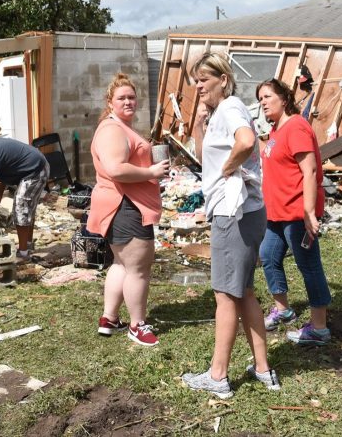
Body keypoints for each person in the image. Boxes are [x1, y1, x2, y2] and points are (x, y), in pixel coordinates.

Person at [181, 52, 280, 398]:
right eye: (196, 81)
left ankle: (218, 376)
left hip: (233, 213)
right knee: (244, 291)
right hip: (247, 211)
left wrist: (227, 169)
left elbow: (246, 141)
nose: (199, 86)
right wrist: (200, 125)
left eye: (204, 79)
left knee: (225, 295)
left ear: (223, 79)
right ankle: (263, 369)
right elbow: (204, 155)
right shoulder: (220, 112)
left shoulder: (232, 107)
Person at [88, 73, 167, 346]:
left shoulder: (120, 127)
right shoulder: (113, 129)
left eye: (131, 97)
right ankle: (137, 325)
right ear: (110, 102)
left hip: (121, 204)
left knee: (121, 263)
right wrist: (151, 171)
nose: (128, 101)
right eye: (121, 97)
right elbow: (116, 169)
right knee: (139, 268)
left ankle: (109, 318)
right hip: (126, 206)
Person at [256, 78, 332, 345]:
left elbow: (309, 171)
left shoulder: (296, 127)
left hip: (297, 211)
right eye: (260, 99)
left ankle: (319, 328)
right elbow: (273, 157)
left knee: (309, 266)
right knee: (268, 256)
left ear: (284, 98)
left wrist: (309, 212)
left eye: (267, 97)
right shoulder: (277, 130)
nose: (262, 102)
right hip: (276, 212)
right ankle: (283, 308)